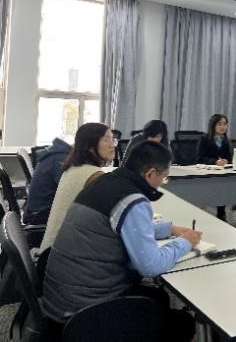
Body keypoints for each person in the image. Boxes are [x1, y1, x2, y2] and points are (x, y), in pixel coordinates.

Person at [42, 141, 200, 341]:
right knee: (183, 323)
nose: (162, 183)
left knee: (158, 297)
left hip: (60, 299)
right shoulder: (132, 199)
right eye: (164, 177)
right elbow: (151, 266)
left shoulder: (105, 182)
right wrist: (185, 242)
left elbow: (119, 227)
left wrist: (168, 229)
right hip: (83, 312)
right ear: (150, 174)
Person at [39, 123, 115, 251]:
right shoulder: (93, 175)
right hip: (64, 253)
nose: (112, 145)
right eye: (106, 139)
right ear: (90, 147)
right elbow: (113, 216)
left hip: (52, 250)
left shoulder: (73, 168)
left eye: (113, 139)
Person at [23, 138, 72, 225]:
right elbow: (70, 192)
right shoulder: (61, 159)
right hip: (39, 218)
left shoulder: (57, 155)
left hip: (38, 213)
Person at [198, 114, 233, 221]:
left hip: (221, 174)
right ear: (213, 125)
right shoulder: (204, 139)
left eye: (225, 124)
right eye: (219, 124)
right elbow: (199, 158)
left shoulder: (226, 140)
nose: (223, 127)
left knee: (222, 187)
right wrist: (215, 162)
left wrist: (226, 161)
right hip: (206, 173)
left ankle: (221, 214)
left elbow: (229, 157)